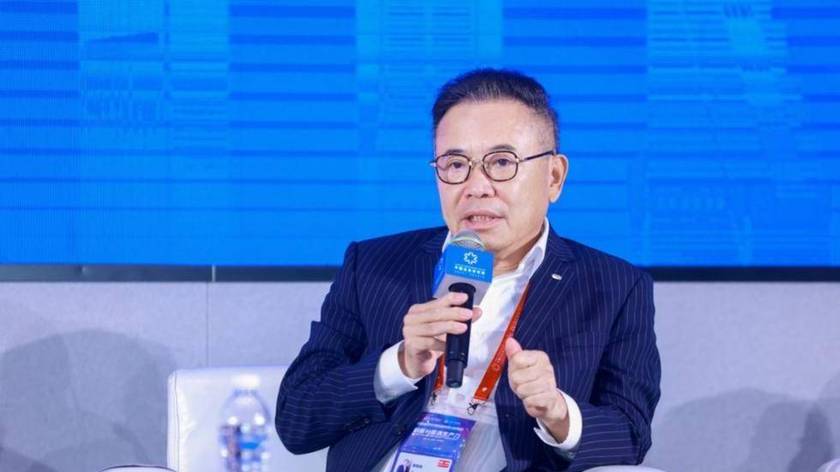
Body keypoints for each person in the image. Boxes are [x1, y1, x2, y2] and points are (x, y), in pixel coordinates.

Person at [276, 68, 661, 471]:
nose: (476, 187)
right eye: (456, 164)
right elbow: (295, 419)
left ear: (554, 177)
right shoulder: (373, 265)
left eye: (502, 162)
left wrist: (557, 411)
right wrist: (400, 364)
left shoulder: (614, 287)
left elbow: (630, 436)